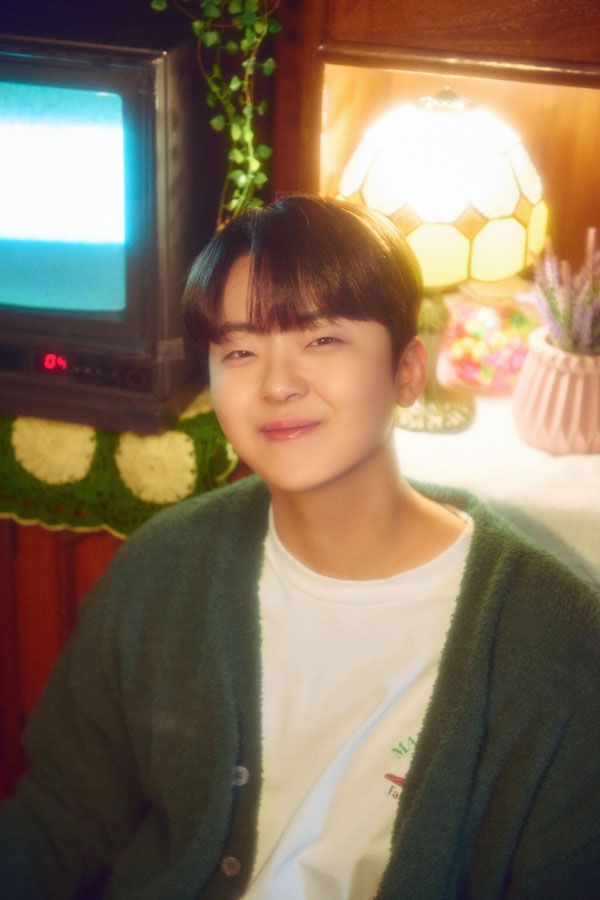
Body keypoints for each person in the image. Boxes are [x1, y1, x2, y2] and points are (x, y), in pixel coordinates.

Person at [1, 195, 599, 900]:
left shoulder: (557, 646)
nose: (277, 384)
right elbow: (61, 818)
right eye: (240, 350)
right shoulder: (161, 570)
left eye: (322, 340)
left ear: (408, 372)